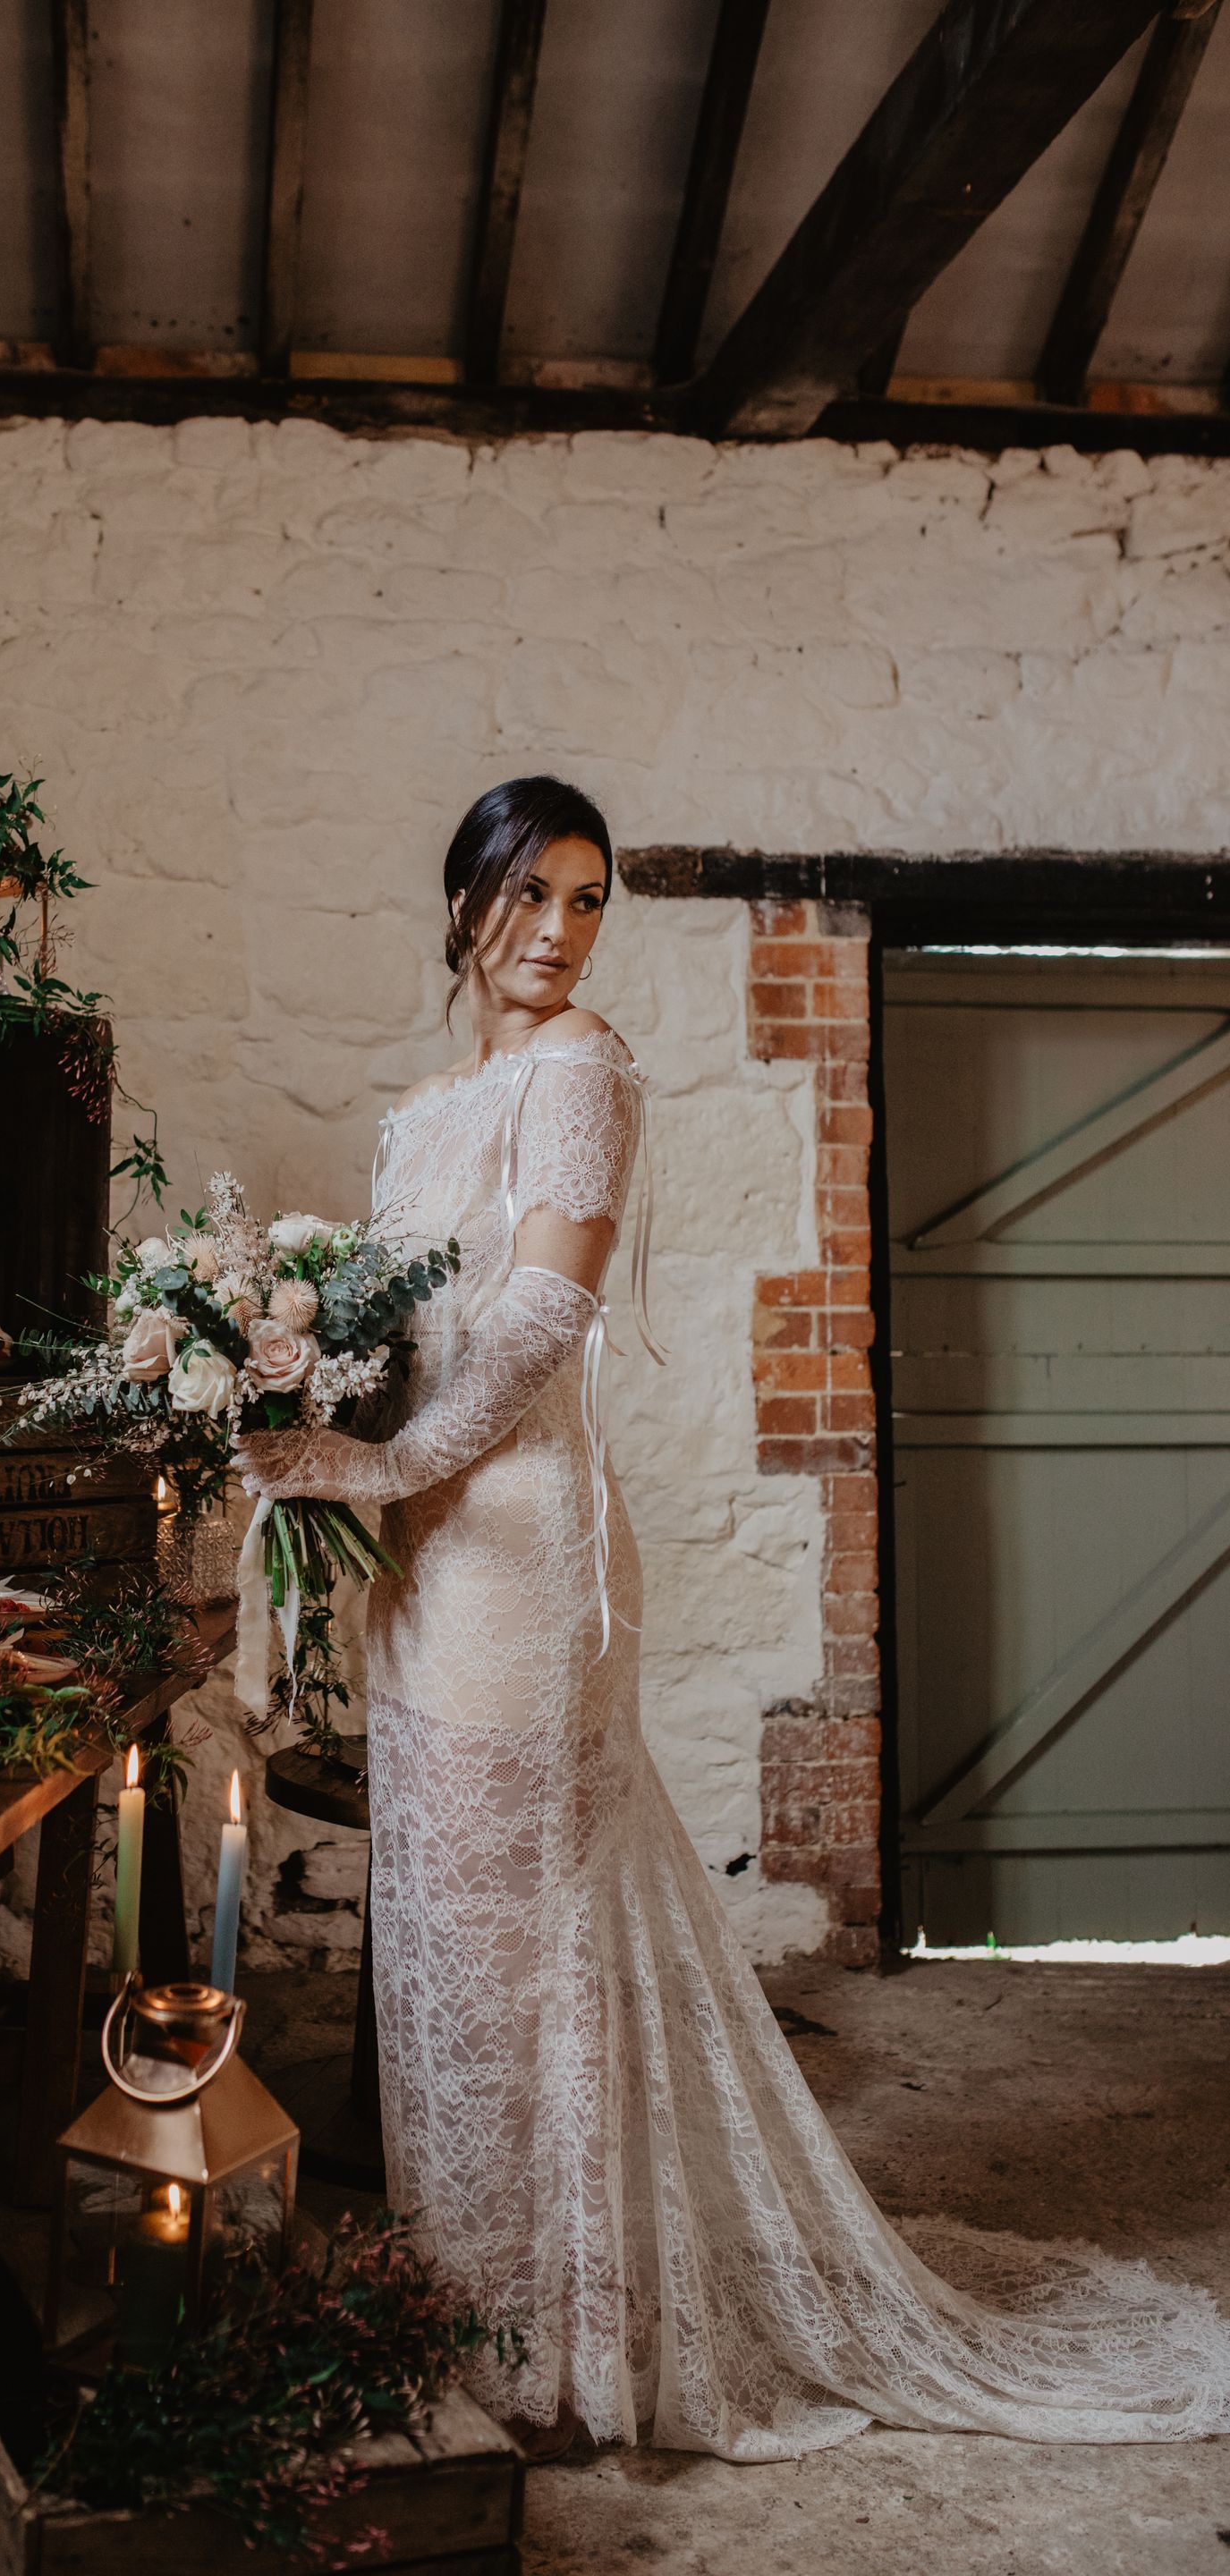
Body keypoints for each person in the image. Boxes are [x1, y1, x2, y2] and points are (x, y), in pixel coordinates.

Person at [232, 775, 1230, 2462]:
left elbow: (541, 1317)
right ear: (465, 899)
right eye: (529, 895)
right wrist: (290, 1358)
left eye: (588, 900)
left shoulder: (581, 1068)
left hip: (515, 1552)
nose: (558, 933)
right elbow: (402, 1319)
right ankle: (461, 2303)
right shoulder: (424, 1109)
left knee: (523, 1947)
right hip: (415, 1557)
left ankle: (563, 2343)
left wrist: (383, 1463)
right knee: (443, 1954)